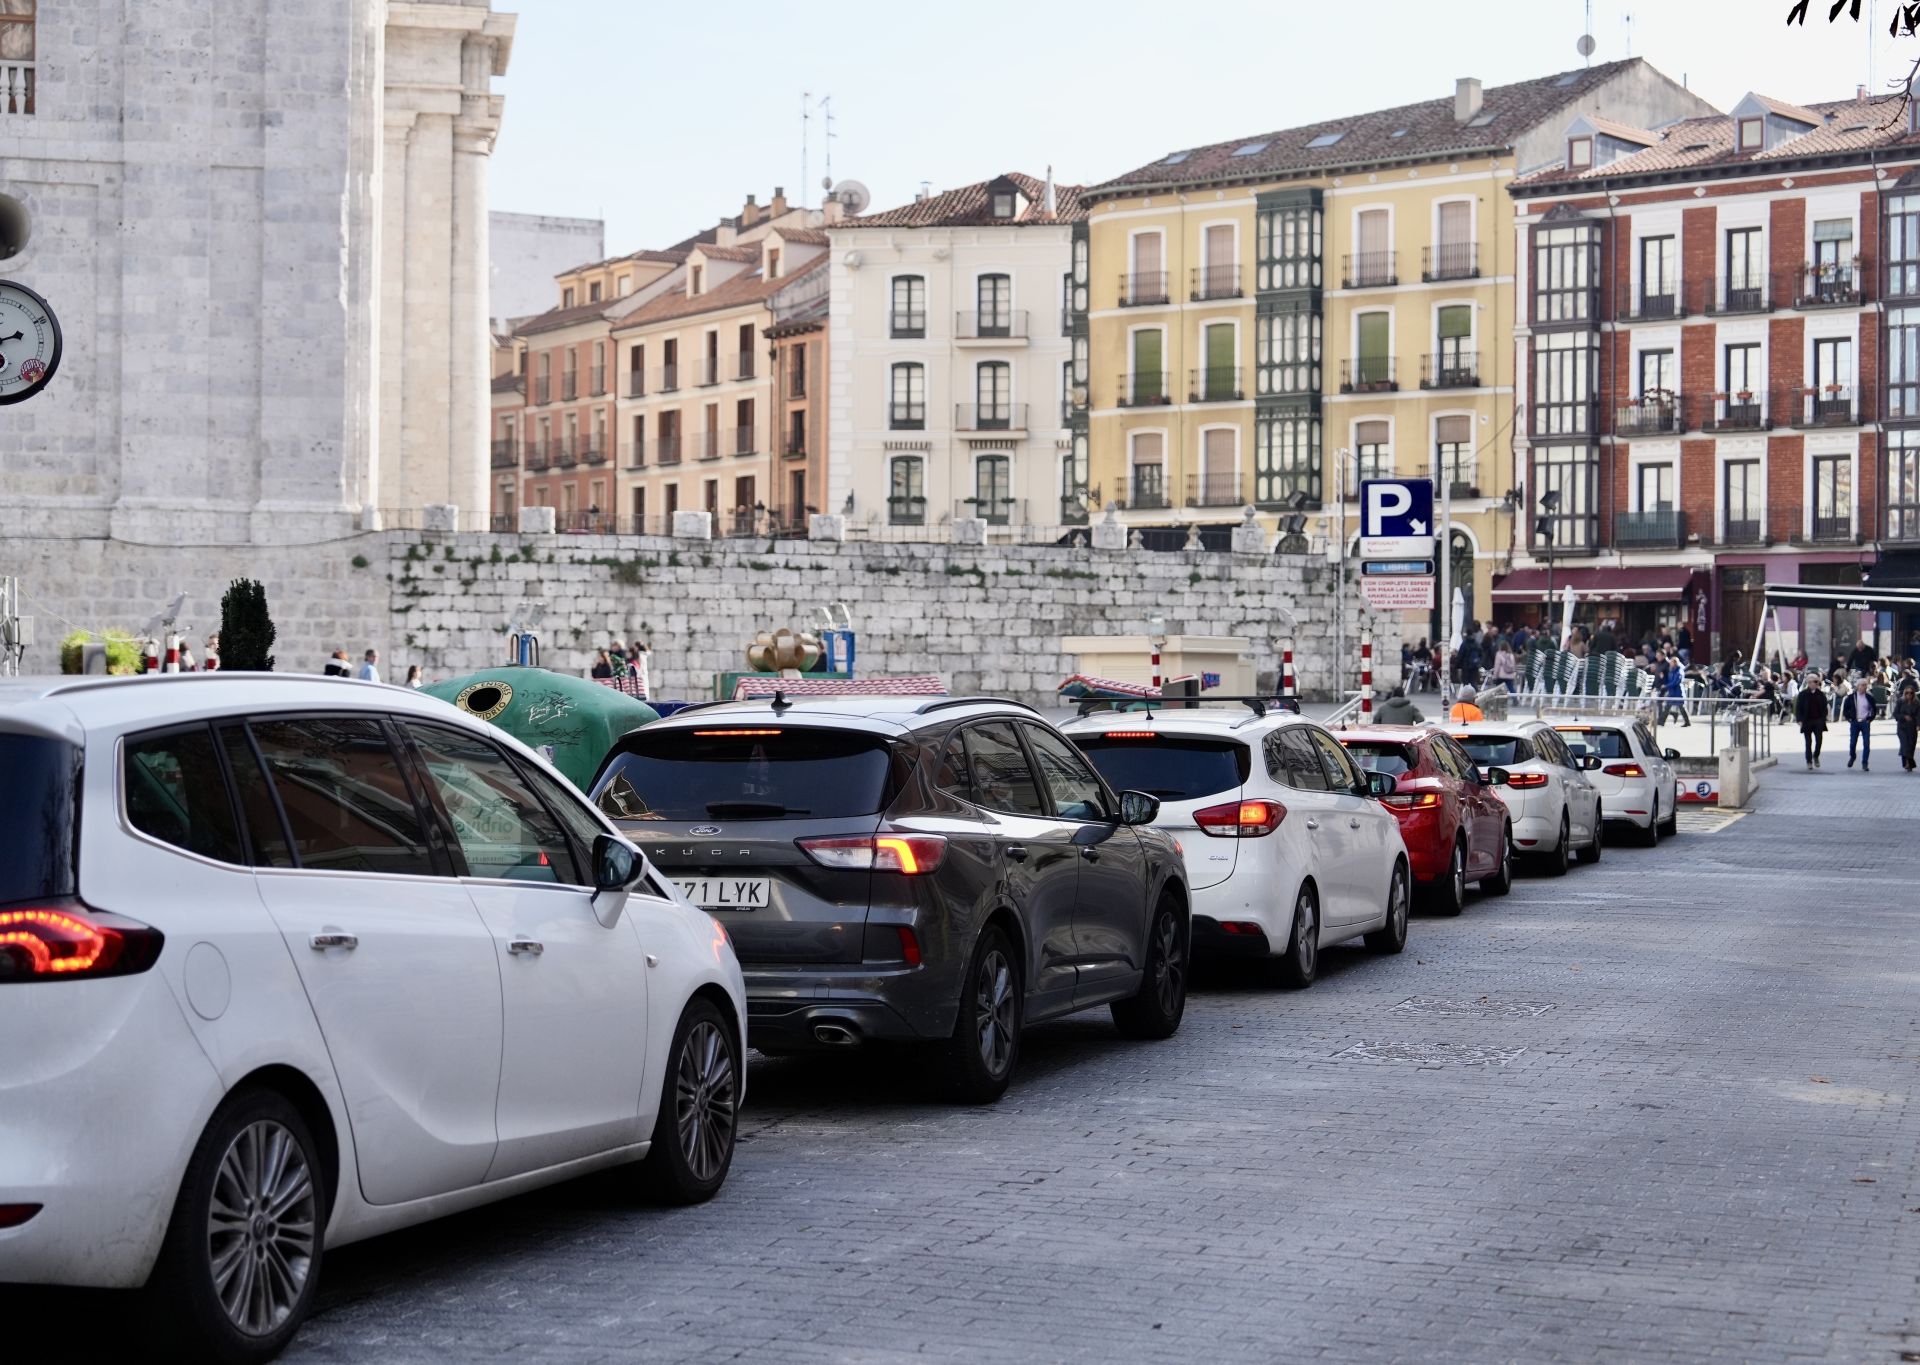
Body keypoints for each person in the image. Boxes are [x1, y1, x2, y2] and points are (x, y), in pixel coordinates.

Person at [1795, 670, 1830, 770]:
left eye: (1814, 682)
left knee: (1819, 740)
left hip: (1818, 720)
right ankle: (1809, 760)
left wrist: (1823, 718)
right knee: (1808, 742)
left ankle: (1816, 755)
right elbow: (1799, 708)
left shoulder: (1821, 694)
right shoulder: (1803, 694)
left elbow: (1824, 707)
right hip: (1807, 720)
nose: (1812, 684)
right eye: (1809, 682)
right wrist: (1799, 719)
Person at [1842, 678, 1876, 771]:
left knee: (1866, 743)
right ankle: (1852, 756)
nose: (1864, 687)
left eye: (1865, 685)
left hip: (1865, 722)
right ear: (1857, 686)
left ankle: (1865, 763)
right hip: (1855, 722)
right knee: (1853, 742)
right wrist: (1849, 718)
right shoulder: (1852, 697)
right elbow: (1846, 709)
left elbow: (1873, 709)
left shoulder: (1869, 697)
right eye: (1862, 685)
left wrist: (1870, 719)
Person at [1659, 657, 1691, 727]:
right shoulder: (1671, 670)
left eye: (1671, 662)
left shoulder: (1679, 671)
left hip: (1678, 692)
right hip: (1672, 692)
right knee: (1667, 707)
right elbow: (1670, 680)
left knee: (1682, 708)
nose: (1670, 664)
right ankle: (1662, 722)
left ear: (1675, 663)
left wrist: (1666, 686)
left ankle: (1687, 722)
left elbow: (1675, 682)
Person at [1897, 681, 1920, 773]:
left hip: (1912, 727)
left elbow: (1919, 715)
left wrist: (1918, 725)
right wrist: (1903, 717)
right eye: (1907, 693)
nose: (1909, 695)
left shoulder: (1917, 703)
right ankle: (1908, 763)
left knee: (1911, 746)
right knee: (1905, 744)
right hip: (1902, 727)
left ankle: (1908, 763)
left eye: (1911, 693)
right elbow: (1895, 714)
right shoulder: (1900, 702)